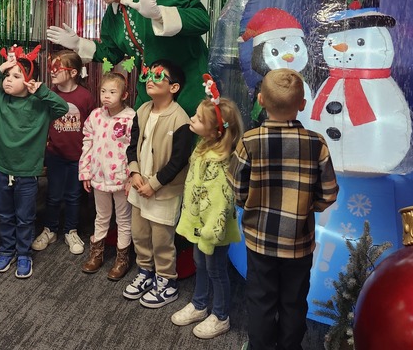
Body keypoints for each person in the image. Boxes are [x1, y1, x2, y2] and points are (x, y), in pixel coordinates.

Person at [229, 68, 339, 350]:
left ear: (261, 99)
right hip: (299, 243)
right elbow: (328, 194)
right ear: (303, 104)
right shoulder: (317, 143)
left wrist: (253, 204)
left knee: (260, 299)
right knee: (294, 300)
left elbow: (237, 190)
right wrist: (303, 208)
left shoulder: (248, 141)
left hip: (259, 239)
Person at [47, 0, 210, 117]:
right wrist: (78, 43)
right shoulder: (111, 16)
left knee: (190, 132)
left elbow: (202, 20)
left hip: (190, 79)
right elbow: (111, 53)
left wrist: (159, 14)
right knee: (141, 129)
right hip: (151, 83)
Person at [0, 48, 69, 279]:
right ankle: (6, 249)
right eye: (7, 76)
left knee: (25, 217)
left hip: (26, 170)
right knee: (4, 214)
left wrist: (42, 91)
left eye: (16, 76)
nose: (8, 80)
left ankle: (23, 253)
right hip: (0, 168)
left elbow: (62, 108)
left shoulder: (40, 104)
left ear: (29, 81)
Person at [172, 77, 244, 339]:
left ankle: (221, 315)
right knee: (199, 263)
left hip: (213, 229)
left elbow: (221, 200)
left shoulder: (221, 162)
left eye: (199, 119)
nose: (192, 119)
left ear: (216, 132)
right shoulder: (203, 147)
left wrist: (211, 232)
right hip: (199, 224)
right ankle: (200, 304)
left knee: (215, 269)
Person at [123, 59, 192, 308]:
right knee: (140, 234)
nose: (150, 79)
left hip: (164, 191)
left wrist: (154, 183)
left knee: (162, 239)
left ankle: (166, 280)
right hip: (139, 187)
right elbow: (132, 147)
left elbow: (179, 160)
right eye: (147, 75)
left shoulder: (181, 119)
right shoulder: (141, 111)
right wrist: (134, 173)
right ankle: (145, 272)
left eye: (158, 76)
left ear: (173, 87)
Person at [32, 51, 97, 256]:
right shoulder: (50, 93)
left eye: (57, 68)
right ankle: (50, 229)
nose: (52, 71)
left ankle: (71, 230)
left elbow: (91, 126)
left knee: (73, 196)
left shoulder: (85, 96)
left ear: (73, 72)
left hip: (77, 157)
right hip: (55, 154)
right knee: (52, 196)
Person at [78, 71, 136, 279]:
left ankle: (122, 258)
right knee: (101, 216)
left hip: (121, 179)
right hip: (98, 176)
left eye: (112, 92)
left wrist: (131, 177)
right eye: (103, 91)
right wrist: (85, 172)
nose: (106, 96)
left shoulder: (130, 118)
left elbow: (134, 149)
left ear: (124, 94)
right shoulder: (95, 116)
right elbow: (87, 144)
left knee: (123, 219)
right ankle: (97, 253)